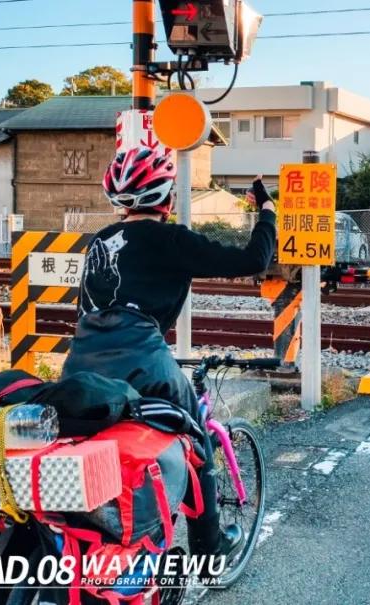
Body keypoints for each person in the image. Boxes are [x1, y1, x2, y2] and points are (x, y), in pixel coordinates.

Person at [62, 145, 276, 559]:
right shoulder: (170, 238)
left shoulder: (100, 241)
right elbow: (253, 258)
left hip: (80, 365)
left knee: (81, 443)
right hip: (143, 360)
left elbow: (90, 309)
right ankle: (210, 549)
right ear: (167, 198)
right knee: (196, 436)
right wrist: (267, 212)